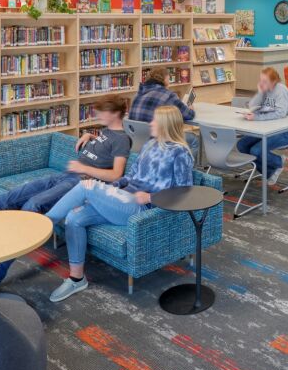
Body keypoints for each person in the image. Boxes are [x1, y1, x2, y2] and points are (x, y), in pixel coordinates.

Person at [46, 105, 195, 302]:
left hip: (142, 208)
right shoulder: (151, 144)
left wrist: (151, 198)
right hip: (123, 199)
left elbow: (184, 191)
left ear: (166, 125)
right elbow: (131, 175)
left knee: (85, 187)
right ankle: (76, 279)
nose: (150, 123)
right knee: (74, 217)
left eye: (154, 120)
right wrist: (113, 188)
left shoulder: (180, 153)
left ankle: (43, 226)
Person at [0, 96, 131, 284]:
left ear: (116, 114)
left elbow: (116, 175)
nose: (98, 115)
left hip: (80, 181)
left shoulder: (122, 139)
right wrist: (89, 135)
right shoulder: (106, 131)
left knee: (32, 206)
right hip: (63, 176)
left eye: (103, 112)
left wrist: (84, 168)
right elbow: (103, 147)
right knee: (3, 200)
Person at [237, 67, 288, 185]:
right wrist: (260, 92)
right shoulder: (265, 89)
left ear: (274, 81)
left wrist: (257, 117)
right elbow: (252, 105)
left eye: (265, 81)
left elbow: (280, 113)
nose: (261, 83)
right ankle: (270, 171)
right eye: (261, 80)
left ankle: (278, 162)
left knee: (256, 150)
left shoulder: (281, 91)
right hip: (266, 128)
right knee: (242, 145)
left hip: (286, 132)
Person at [130, 65, 199, 152]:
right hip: (157, 140)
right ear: (165, 79)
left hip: (136, 140)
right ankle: (186, 165)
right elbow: (189, 115)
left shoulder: (138, 94)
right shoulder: (167, 94)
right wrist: (191, 108)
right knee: (193, 139)